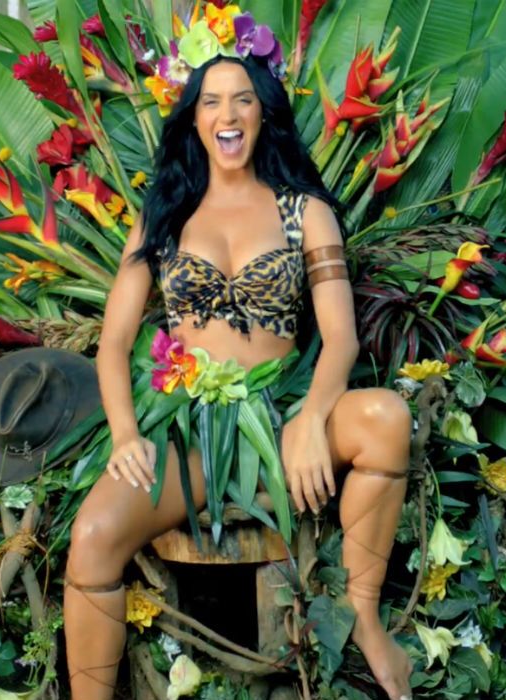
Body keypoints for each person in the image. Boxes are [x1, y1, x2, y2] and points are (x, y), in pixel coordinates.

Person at [63, 8, 413, 700]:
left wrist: (313, 417)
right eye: (212, 101)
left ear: (262, 116)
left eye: (243, 100)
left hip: (280, 419)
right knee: (94, 534)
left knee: (384, 417)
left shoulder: (302, 210)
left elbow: (338, 335)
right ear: (193, 118)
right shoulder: (164, 213)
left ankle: (366, 619)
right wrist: (127, 434)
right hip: (187, 431)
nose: (228, 114)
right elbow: (114, 341)